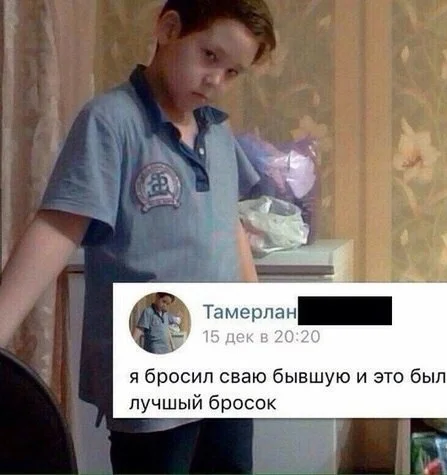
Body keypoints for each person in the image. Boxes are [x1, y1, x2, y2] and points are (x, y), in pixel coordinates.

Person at [0, 0, 276, 473]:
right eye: (210, 56)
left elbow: (228, 228)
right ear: (169, 29)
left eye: (232, 72)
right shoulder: (111, 121)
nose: (216, 80)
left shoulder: (218, 133)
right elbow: (58, 226)